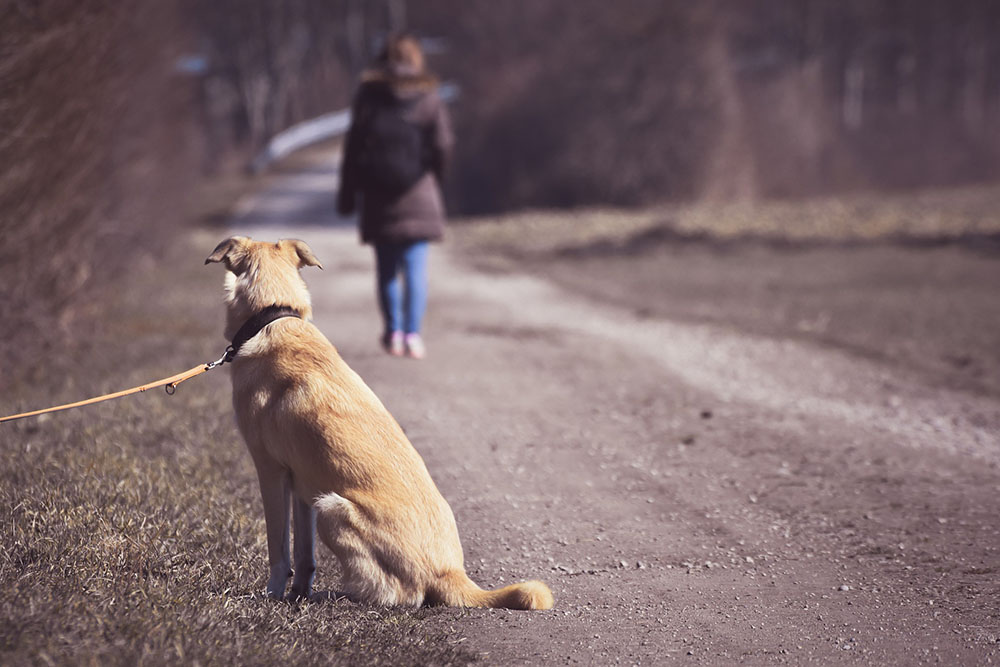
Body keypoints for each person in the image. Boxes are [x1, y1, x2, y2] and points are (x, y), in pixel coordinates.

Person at [337, 33, 454, 360]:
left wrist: (348, 195)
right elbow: (444, 145)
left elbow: (352, 150)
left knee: (387, 270)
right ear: (417, 59)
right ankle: (413, 335)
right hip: (419, 193)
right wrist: (435, 178)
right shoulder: (429, 97)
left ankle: (393, 334)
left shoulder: (368, 96)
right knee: (415, 270)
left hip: (378, 198)